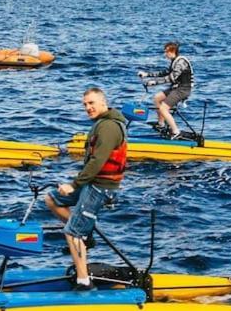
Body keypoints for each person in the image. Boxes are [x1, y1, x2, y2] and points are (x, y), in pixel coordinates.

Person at [44, 87, 128, 291]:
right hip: (92, 183)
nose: (88, 108)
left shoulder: (108, 127)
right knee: (52, 199)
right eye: (85, 105)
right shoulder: (101, 124)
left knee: (72, 232)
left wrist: (73, 185)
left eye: (91, 103)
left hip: (101, 187)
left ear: (103, 102)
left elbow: (98, 161)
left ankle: (84, 282)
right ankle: (86, 235)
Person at [139, 41, 193, 140]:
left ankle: (176, 132)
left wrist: (154, 82)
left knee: (163, 108)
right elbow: (165, 73)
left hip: (183, 89)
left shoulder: (181, 62)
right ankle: (161, 124)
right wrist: (147, 75)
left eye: (166, 51)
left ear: (172, 51)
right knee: (157, 98)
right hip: (176, 87)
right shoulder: (174, 61)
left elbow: (171, 78)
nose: (165, 54)